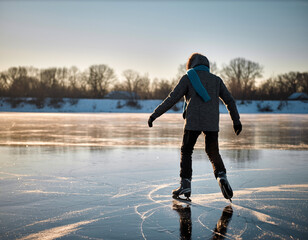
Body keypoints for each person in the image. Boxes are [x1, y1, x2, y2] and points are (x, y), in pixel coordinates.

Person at [148, 53, 242, 201]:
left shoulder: (188, 78)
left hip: (193, 122)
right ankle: (221, 176)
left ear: (191, 64)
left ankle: (185, 183)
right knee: (212, 152)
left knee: (186, 150)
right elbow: (229, 100)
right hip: (211, 123)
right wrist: (236, 121)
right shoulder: (216, 80)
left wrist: (154, 115)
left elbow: (172, 98)